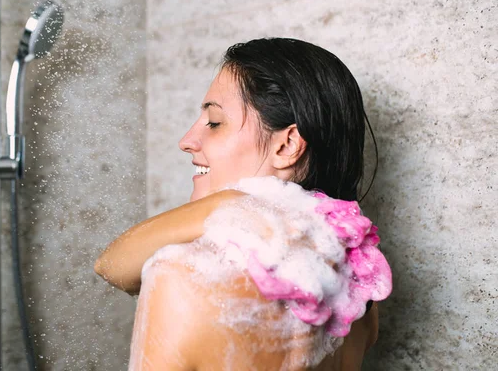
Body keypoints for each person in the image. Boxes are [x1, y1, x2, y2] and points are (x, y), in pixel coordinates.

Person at [94, 38, 391, 370]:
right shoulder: (360, 291)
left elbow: (111, 266)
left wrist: (229, 204)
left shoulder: (183, 278)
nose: (186, 141)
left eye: (215, 122)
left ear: (287, 145)